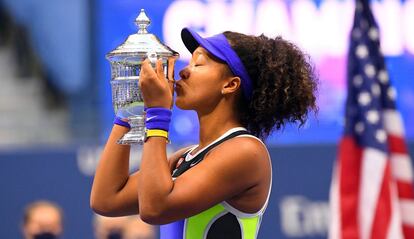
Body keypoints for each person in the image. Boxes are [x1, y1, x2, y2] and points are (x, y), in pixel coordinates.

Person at [90, 27, 318, 238]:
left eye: (199, 64)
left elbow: (155, 209)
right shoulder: (186, 156)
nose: (184, 72)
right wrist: (130, 111)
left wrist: (158, 113)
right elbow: (107, 199)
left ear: (230, 85)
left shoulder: (246, 151)